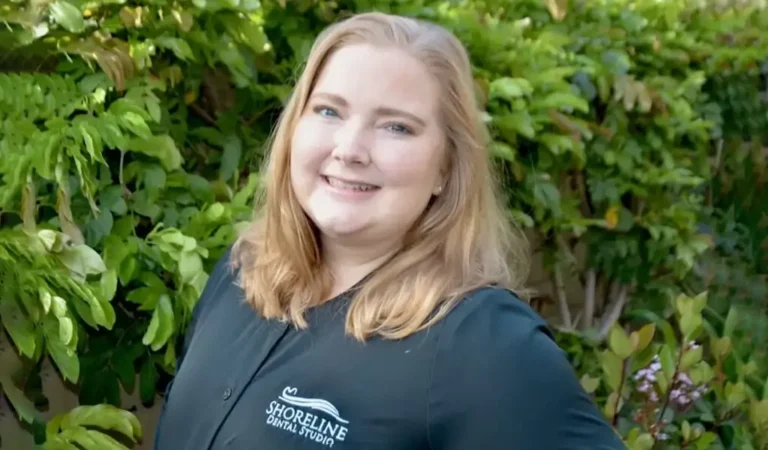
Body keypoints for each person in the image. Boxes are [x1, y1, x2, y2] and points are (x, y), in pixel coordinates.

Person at [153, 11, 626, 450]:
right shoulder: (242, 272)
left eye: (397, 127)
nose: (350, 148)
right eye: (329, 111)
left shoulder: (483, 346)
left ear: (446, 168)